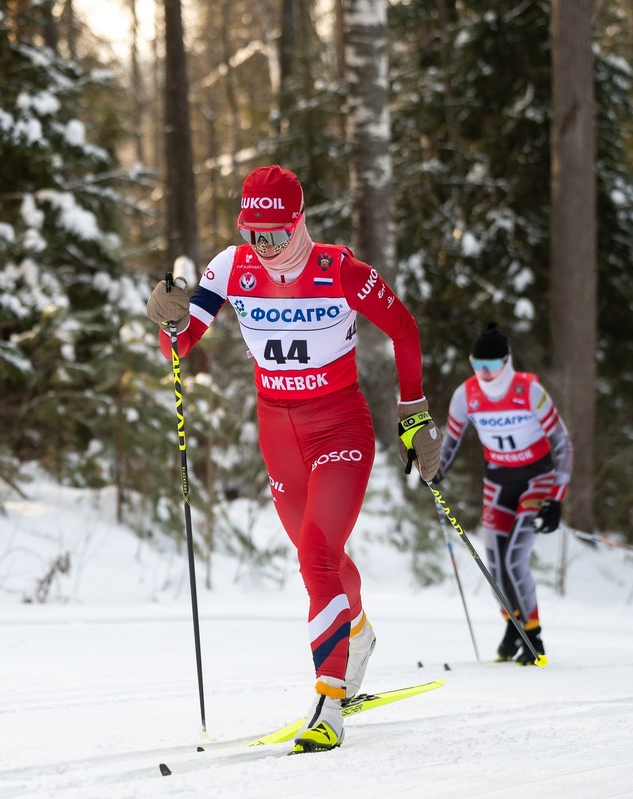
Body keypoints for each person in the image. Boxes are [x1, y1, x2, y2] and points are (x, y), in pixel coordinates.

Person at [145, 165, 441, 753]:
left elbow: (404, 330)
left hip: (339, 426)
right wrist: (169, 314)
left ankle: (329, 702)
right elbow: (178, 345)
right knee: (319, 559)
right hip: (277, 431)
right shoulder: (231, 268)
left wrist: (415, 415)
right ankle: (357, 634)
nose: (266, 247)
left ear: (299, 224)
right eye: (254, 234)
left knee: (316, 555)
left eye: (277, 234)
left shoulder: (339, 270)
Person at [434, 322, 573, 665]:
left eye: (492, 366)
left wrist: (556, 499)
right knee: (494, 561)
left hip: (536, 477)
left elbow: (563, 444)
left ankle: (534, 634)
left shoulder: (529, 391)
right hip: (498, 480)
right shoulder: (466, 395)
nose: (485, 373)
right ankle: (513, 626)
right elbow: (450, 444)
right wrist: (435, 472)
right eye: (477, 365)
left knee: (514, 558)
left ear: (506, 362)